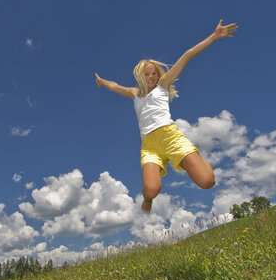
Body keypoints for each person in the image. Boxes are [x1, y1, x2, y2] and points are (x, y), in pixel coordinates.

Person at [95, 19, 238, 213]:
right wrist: (103, 81)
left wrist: (214, 36)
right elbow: (116, 86)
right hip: (149, 145)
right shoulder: (134, 93)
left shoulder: (163, 85)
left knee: (207, 182)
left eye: (154, 73)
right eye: (147, 74)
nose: (152, 77)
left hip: (170, 137)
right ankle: (148, 200)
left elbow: (187, 55)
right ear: (140, 77)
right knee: (151, 190)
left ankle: (204, 165)